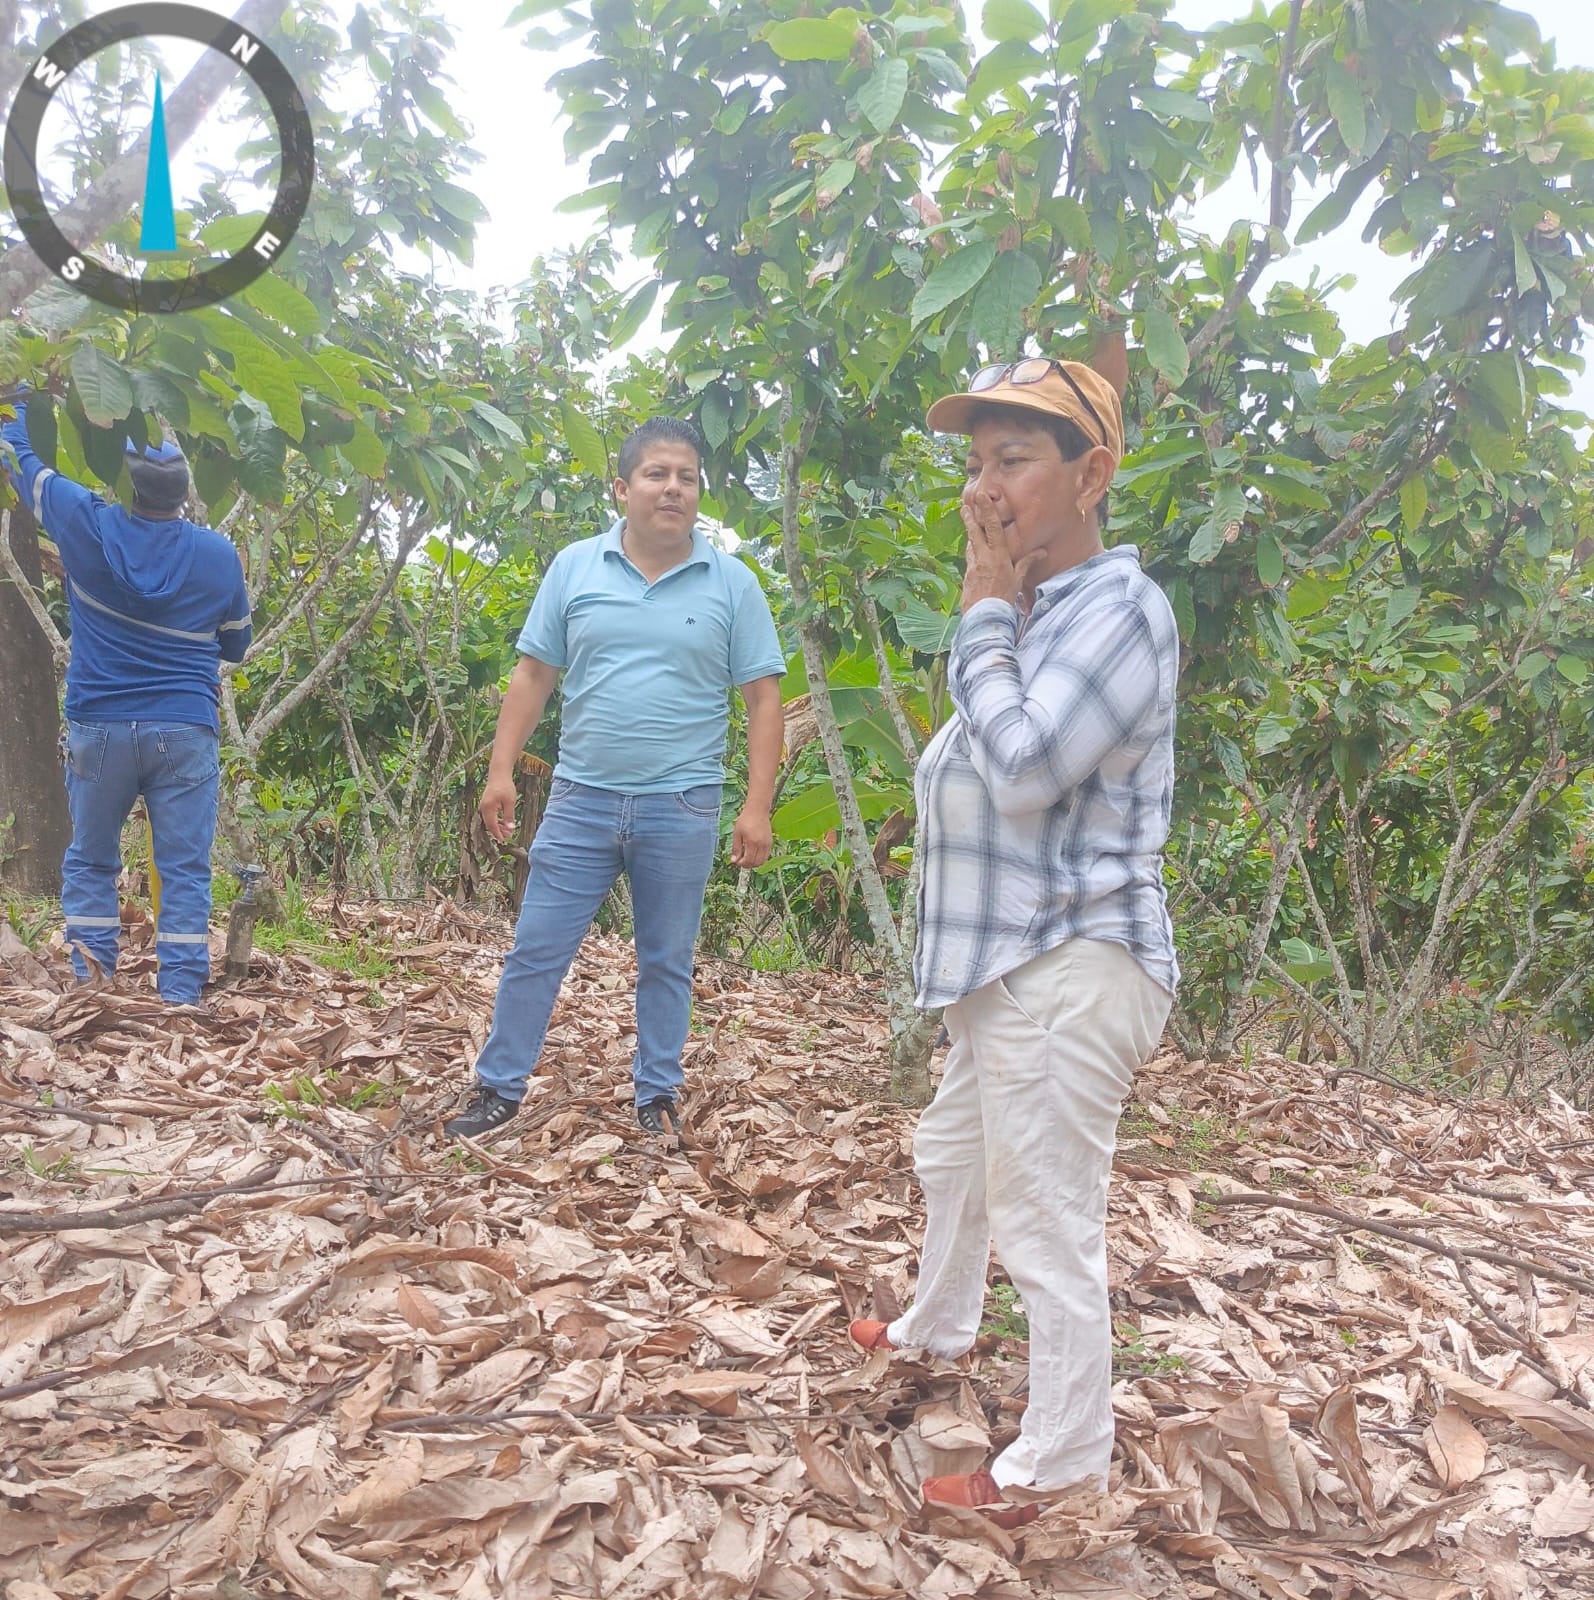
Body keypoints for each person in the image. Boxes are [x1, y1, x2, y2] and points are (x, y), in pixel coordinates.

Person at [846, 356, 1179, 1525]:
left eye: (1015, 460)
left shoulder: (1119, 610)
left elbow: (1026, 768)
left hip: (1073, 957)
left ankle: (1061, 1459)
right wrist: (997, 610)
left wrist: (984, 607)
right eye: (976, 462)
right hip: (1008, 963)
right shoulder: (1038, 614)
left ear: (1091, 476)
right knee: (953, 1155)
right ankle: (937, 1323)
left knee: (1045, 1216)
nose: (983, 489)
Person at [445, 416, 785, 1141]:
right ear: (623, 489)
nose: (673, 489)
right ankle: (499, 1089)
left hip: (682, 803)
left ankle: (656, 1093)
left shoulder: (733, 583)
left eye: (687, 477)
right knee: (536, 948)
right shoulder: (575, 567)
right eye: (657, 474)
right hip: (581, 798)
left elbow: (764, 700)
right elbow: (534, 674)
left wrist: (757, 807)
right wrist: (501, 770)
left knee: (667, 959)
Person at [1, 395, 252, 1005]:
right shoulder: (218, 555)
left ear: (124, 481)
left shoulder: (84, 521)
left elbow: (18, 454)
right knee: (184, 868)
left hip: (98, 728)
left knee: (91, 861)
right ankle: (181, 995)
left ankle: (92, 985)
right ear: (184, 493)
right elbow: (237, 645)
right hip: (184, 729)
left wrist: (22, 395)